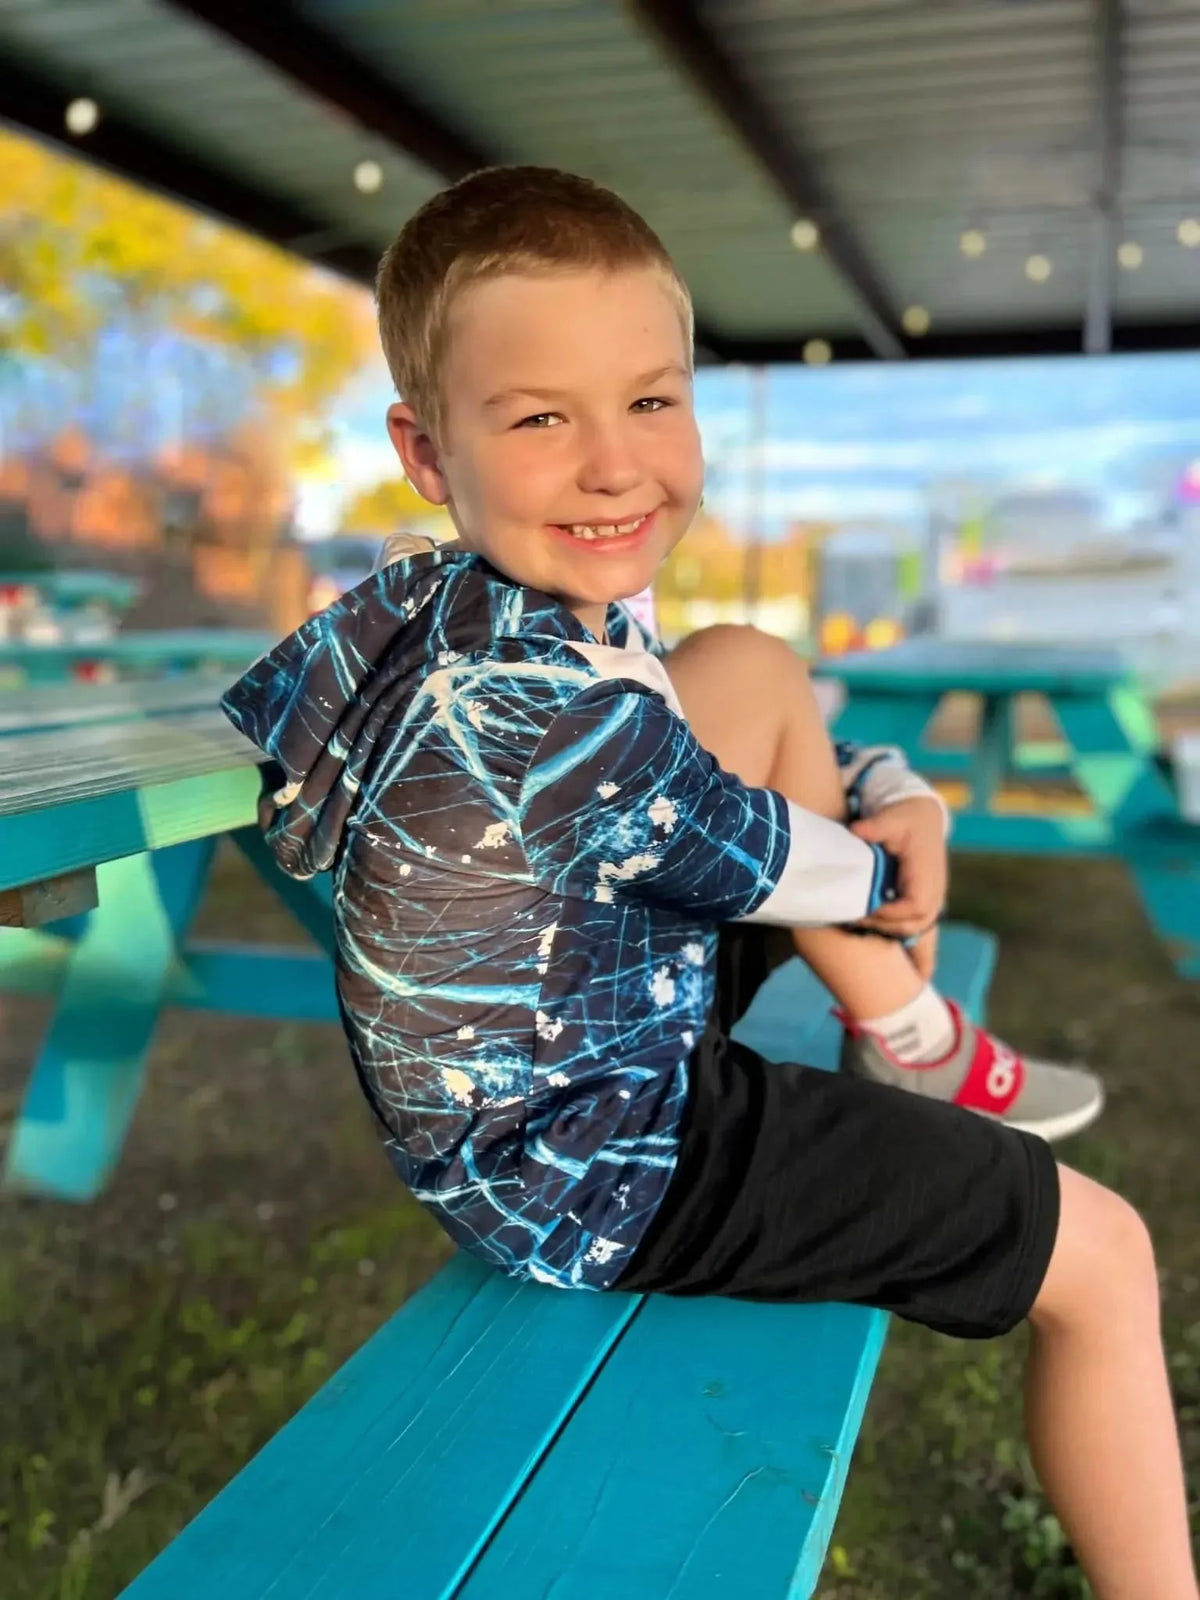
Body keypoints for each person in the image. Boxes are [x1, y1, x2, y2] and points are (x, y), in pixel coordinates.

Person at [223, 167, 1197, 1599]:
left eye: (651, 400)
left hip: (559, 1011)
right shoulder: (530, 696)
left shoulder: (486, 597)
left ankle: (909, 1038)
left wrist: (890, 784)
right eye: (542, 418)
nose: (617, 463)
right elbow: (743, 850)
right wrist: (885, 859)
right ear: (427, 450)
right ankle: (921, 1042)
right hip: (590, 1159)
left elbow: (708, 740)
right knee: (1105, 1256)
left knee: (749, 661)